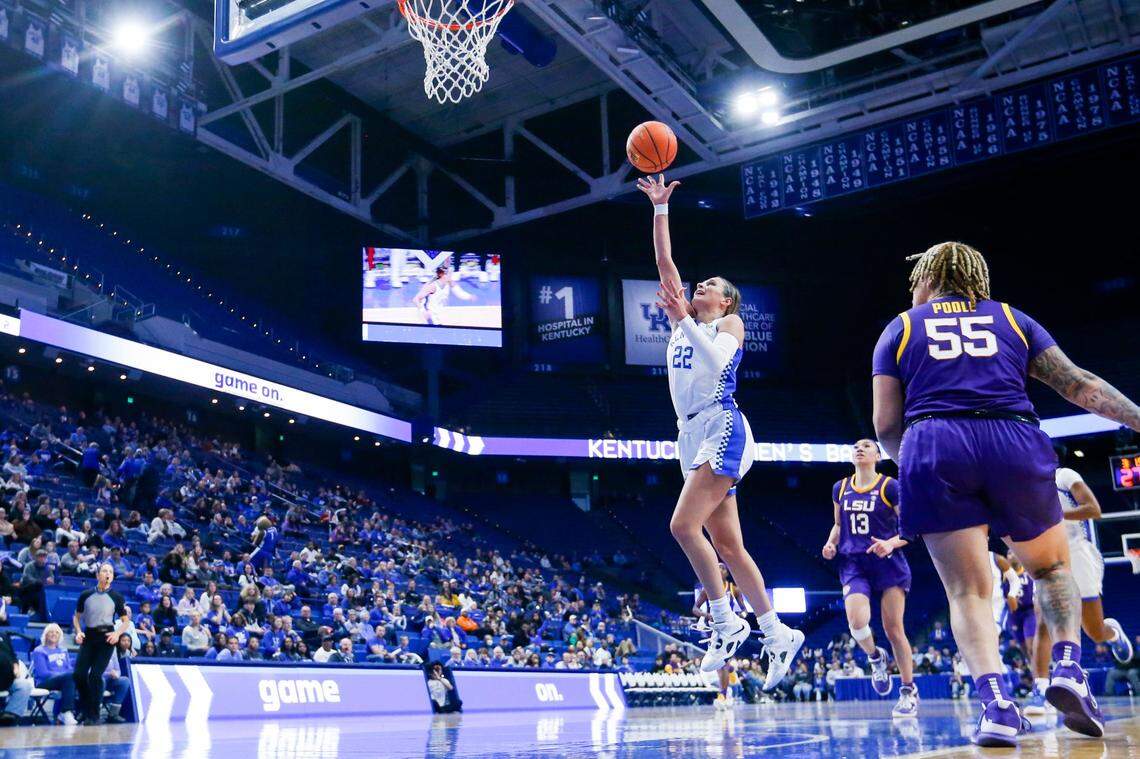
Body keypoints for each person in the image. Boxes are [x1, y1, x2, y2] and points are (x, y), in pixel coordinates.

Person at [871, 241, 1140, 746]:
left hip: (934, 440)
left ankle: (995, 705)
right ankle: (1066, 666)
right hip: (1010, 436)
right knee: (1051, 568)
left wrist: (918, 463)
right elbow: (1079, 384)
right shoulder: (1012, 319)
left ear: (927, 280)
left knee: (967, 591)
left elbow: (885, 424)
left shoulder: (901, 327)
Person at [637, 173, 802, 685]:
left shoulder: (727, 327)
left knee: (682, 527)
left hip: (723, 424)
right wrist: (660, 207)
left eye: (710, 286)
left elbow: (713, 363)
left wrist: (684, 321)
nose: (699, 287)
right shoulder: (684, 316)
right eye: (698, 283)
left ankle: (726, 619)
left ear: (726, 301)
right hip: (689, 433)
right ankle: (776, 632)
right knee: (729, 546)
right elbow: (665, 263)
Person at [821, 439, 918, 717]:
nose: (860, 449)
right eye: (856, 447)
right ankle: (875, 657)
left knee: (893, 629)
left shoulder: (890, 487)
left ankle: (908, 690)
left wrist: (891, 544)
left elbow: (909, 529)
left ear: (878, 455)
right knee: (856, 621)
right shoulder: (840, 488)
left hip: (888, 562)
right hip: (854, 563)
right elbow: (839, 525)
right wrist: (830, 543)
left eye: (866, 445)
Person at [1028, 459, 1133, 713]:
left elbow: (1093, 508)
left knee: (1095, 632)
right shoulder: (1023, 485)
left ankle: (1113, 634)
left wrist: (1056, 516)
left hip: (1078, 553)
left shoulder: (1064, 476)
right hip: (1047, 555)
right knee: (1043, 621)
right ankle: (1040, 689)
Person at [72, 562, 130, 725]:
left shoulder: (117, 597)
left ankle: (94, 715)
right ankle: (86, 708)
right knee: (79, 674)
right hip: (89, 635)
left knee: (95, 675)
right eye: (104, 570)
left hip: (107, 637)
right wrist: (78, 631)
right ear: (98, 575)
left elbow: (125, 621)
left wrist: (117, 633)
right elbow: (76, 617)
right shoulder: (86, 594)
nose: (108, 573)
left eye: (110, 571)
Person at [692, 563, 747, 710]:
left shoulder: (733, 588)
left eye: (723, 568)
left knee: (724, 663)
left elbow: (744, 609)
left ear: (727, 573)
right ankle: (724, 692)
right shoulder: (707, 588)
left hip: (729, 629)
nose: (720, 569)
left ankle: (723, 693)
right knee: (720, 663)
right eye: (717, 567)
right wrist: (706, 615)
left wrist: (740, 615)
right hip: (714, 628)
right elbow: (695, 608)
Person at [31, 623, 78, 724]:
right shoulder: (39, 651)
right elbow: (43, 673)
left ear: (60, 636)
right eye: (51, 632)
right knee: (69, 677)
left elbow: (69, 668)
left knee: (81, 677)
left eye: (57, 632)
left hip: (63, 680)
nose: (54, 634)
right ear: (46, 635)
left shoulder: (63, 650)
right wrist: (62, 675)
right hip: (44, 682)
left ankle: (82, 712)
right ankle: (66, 712)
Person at [0, 631, 31, 726]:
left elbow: (13, 656)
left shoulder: (3, 635)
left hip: (7, 678)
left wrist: (16, 667)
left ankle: (10, 715)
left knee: (24, 685)